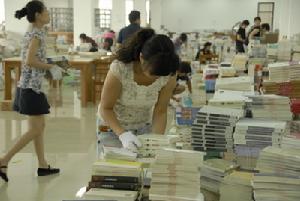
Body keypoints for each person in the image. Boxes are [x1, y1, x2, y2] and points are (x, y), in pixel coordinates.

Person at [0, 0, 62, 182]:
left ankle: (43, 165)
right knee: (36, 129)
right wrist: (50, 67)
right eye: (46, 12)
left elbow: (34, 58)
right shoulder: (36, 33)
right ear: (38, 15)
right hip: (30, 87)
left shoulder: (35, 31)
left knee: (38, 128)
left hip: (29, 86)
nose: (49, 14)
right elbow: (29, 61)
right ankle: (4, 160)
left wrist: (51, 62)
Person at [98, 28, 179, 152]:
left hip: (143, 128)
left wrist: (157, 141)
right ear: (141, 58)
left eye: (161, 75)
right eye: (154, 74)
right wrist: (123, 135)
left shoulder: (168, 74)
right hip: (112, 128)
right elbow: (106, 108)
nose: (158, 78)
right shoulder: (120, 69)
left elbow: (161, 111)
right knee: (114, 169)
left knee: (144, 166)